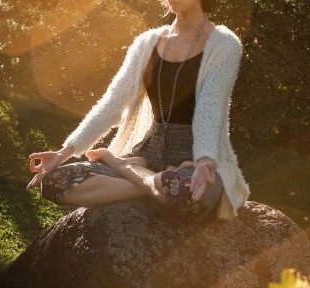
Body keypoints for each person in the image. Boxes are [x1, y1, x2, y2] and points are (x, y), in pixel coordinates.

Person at [26, 0, 251, 221]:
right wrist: (63, 153)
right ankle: (150, 181)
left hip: (194, 160)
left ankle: (120, 165)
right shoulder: (147, 43)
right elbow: (112, 104)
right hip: (147, 154)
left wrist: (205, 160)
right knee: (56, 182)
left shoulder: (224, 44)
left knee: (189, 194)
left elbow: (210, 108)